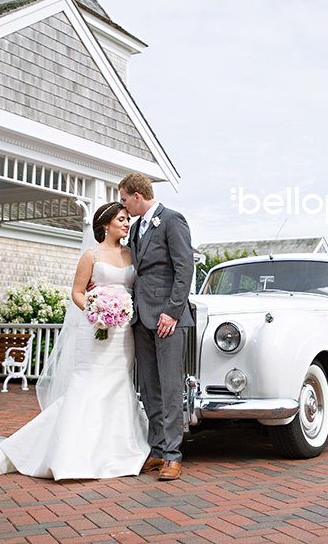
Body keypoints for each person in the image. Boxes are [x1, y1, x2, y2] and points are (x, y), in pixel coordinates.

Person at [0, 202, 151, 480]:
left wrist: (117, 312)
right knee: (88, 385)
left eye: (127, 219)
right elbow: (76, 292)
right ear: (105, 224)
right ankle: (70, 453)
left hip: (123, 332)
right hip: (94, 328)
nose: (126, 223)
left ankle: (116, 451)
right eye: (121, 219)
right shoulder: (92, 254)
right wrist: (95, 310)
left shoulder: (132, 254)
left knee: (118, 384)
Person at [119, 173, 194, 482]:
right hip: (140, 318)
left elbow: (184, 267)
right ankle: (158, 449)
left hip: (167, 319)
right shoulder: (136, 228)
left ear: (138, 196)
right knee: (149, 386)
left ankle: (174, 456)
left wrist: (172, 312)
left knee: (170, 386)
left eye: (124, 199)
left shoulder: (172, 220)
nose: (122, 205)